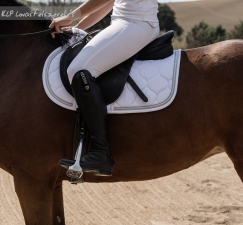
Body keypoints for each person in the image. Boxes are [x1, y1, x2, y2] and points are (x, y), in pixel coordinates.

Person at [49, 0, 160, 176]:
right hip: (128, 23)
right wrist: (79, 27)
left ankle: (100, 151)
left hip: (134, 23)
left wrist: (69, 17)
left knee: (79, 70)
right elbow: (110, 3)